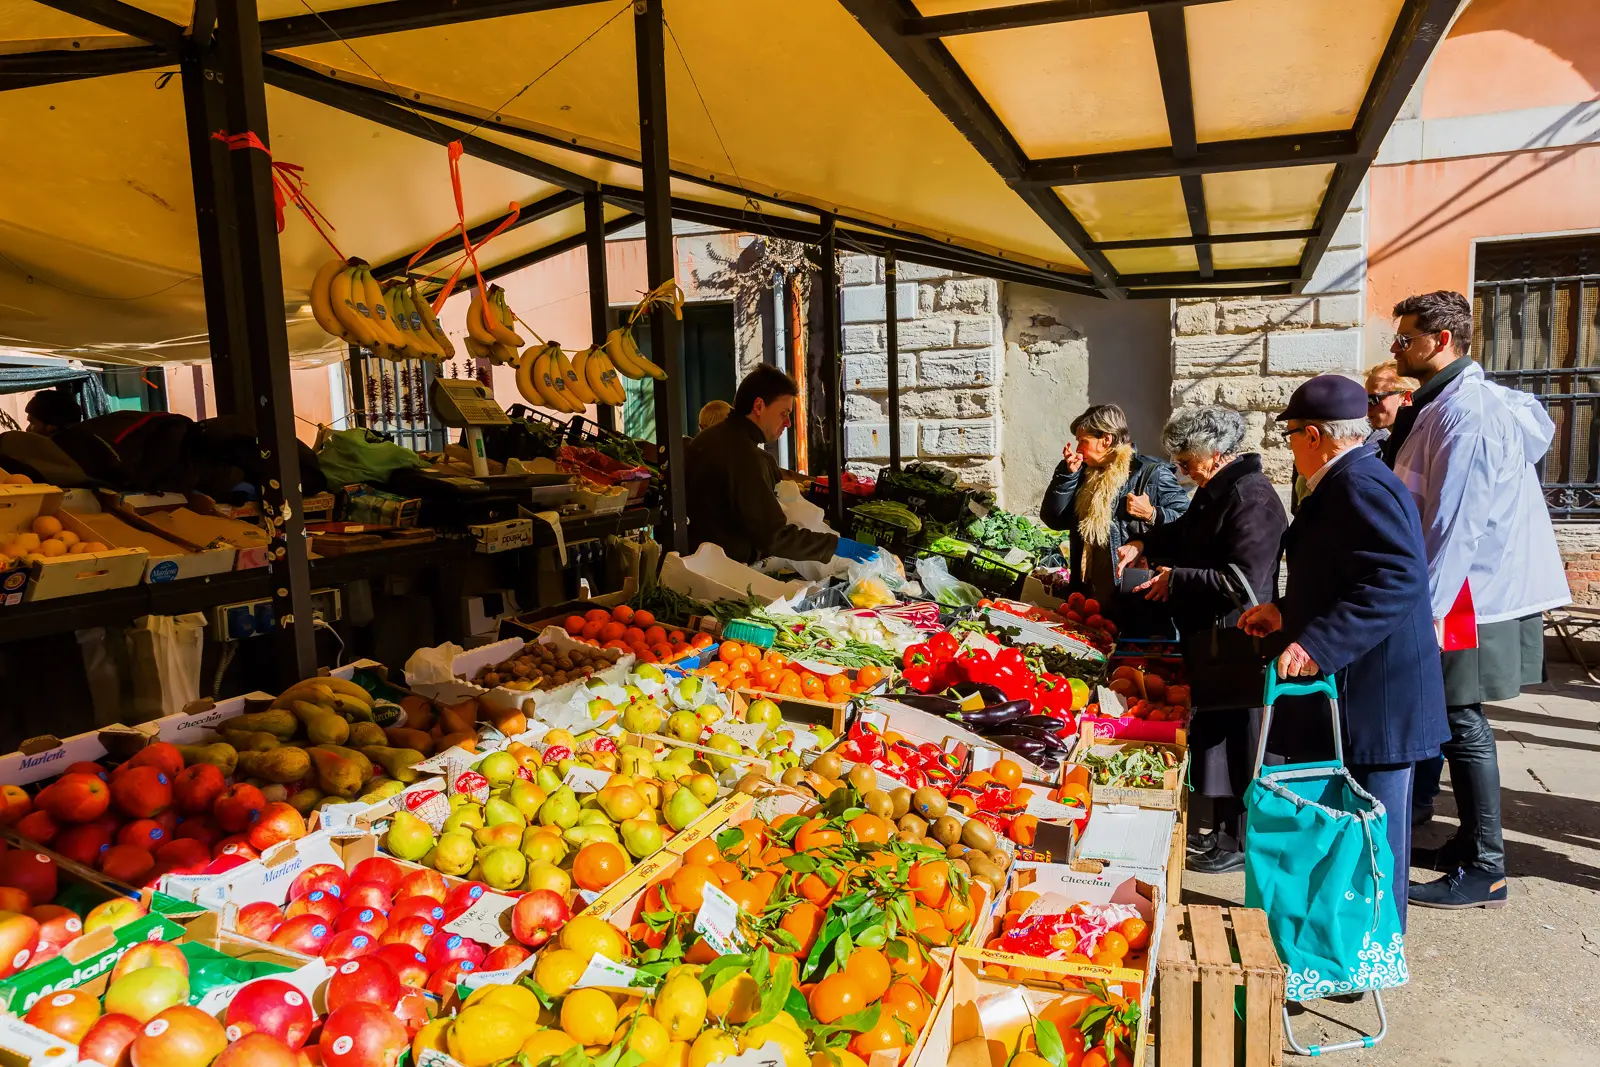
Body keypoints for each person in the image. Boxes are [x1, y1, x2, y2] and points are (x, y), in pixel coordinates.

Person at [1238, 375, 1451, 933]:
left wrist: (1316, 643)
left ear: (1315, 435)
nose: (1288, 445)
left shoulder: (1358, 484)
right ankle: (1349, 944)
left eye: (1290, 435)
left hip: (1381, 693)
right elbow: (1344, 572)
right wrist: (1288, 612)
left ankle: (1372, 953)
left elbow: (1395, 578)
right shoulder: (1344, 480)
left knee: (1375, 834)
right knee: (1357, 828)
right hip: (1367, 686)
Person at [1384, 290, 1568, 910]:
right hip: (1462, 586)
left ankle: (1486, 864)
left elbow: (1459, 521)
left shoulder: (1467, 412)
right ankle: (1467, 843)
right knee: (1457, 720)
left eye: (1406, 338)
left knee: (1463, 720)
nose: (1396, 347)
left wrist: (1424, 609)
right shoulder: (1445, 404)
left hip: (1467, 592)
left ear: (1441, 341)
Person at [1116, 407, 1287, 874]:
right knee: (1221, 736)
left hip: (1237, 636)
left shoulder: (1252, 497)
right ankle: (1224, 834)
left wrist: (1178, 578)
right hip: (1212, 638)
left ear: (1214, 453)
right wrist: (1145, 544)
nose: (1181, 468)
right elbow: (1188, 534)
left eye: (1186, 458)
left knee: (1239, 740)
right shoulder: (1219, 490)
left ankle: (1239, 842)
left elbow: (1244, 578)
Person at [684, 366, 873, 566]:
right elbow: (773, 536)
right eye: (784, 413)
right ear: (758, 406)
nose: (788, 423)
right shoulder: (742, 454)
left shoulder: (717, 438)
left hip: (706, 563)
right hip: (721, 571)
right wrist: (835, 546)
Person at [1040, 404, 1188, 633]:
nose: (1078, 449)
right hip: (1090, 599)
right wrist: (1066, 476)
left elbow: (1186, 520)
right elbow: (1054, 519)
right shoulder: (1083, 474)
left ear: (1106, 440)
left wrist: (1152, 514)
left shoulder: (1150, 473)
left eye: (1083, 441)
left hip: (1133, 598)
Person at [1364, 360, 1418, 450]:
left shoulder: (1420, 441)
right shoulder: (1393, 443)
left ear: (1406, 397)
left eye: (1374, 399)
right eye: (1366, 400)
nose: (1368, 407)